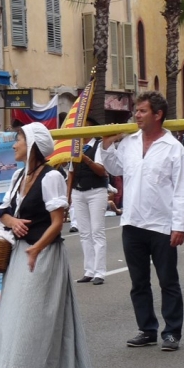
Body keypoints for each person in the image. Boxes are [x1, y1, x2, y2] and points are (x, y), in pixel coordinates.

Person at [0, 122, 93, 368]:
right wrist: (11, 220)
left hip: (43, 255)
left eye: (18, 140)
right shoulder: (17, 177)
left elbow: (57, 223)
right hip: (21, 254)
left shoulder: (51, 178)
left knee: (38, 319)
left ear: (32, 145)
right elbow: (1, 210)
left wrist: (36, 249)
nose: (14, 145)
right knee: (16, 316)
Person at [101, 91, 184, 351]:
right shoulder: (129, 142)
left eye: (142, 111)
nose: (136, 115)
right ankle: (147, 329)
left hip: (162, 225)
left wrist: (179, 225)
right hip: (132, 222)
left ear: (158, 114)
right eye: (136, 111)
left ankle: (172, 332)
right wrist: (107, 145)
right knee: (138, 282)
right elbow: (115, 169)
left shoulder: (173, 149)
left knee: (167, 281)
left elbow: (181, 190)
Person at [67, 117, 109, 286]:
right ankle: (89, 270)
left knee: (97, 231)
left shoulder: (97, 146)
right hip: (78, 191)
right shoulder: (75, 146)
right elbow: (70, 172)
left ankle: (100, 272)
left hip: (96, 191)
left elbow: (101, 171)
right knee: (84, 233)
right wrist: (67, 195)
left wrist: (85, 159)